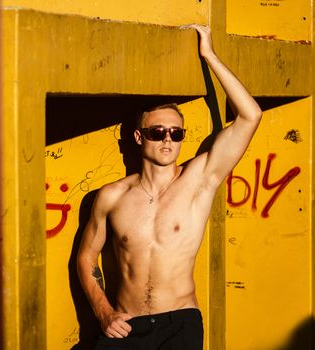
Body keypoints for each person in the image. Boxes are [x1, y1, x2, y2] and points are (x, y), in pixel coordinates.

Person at [76, 24, 262, 350]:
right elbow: (87, 255)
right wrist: (103, 312)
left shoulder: (198, 181)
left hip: (181, 324)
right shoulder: (112, 196)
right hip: (126, 325)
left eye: (176, 134)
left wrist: (209, 55)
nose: (167, 140)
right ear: (138, 137)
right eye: (157, 132)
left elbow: (250, 115)